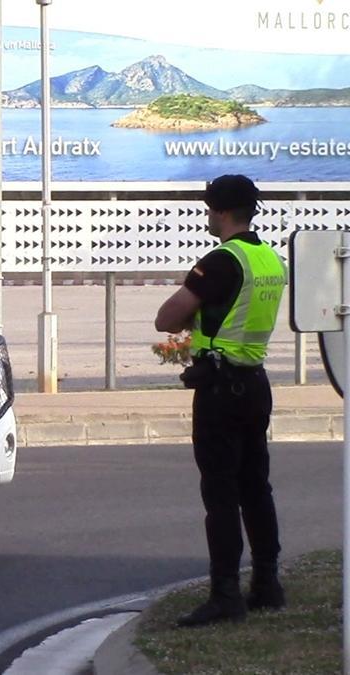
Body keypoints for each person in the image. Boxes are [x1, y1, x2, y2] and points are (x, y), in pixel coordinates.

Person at [154, 175, 288, 627]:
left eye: (210, 208)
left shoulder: (221, 260)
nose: (207, 215)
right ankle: (267, 584)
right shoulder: (270, 259)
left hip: (220, 390)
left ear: (222, 211)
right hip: (255, 385)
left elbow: (166, 319)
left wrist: (196, 310)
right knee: (257, 488)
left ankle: (225, 593)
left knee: (221, 495)